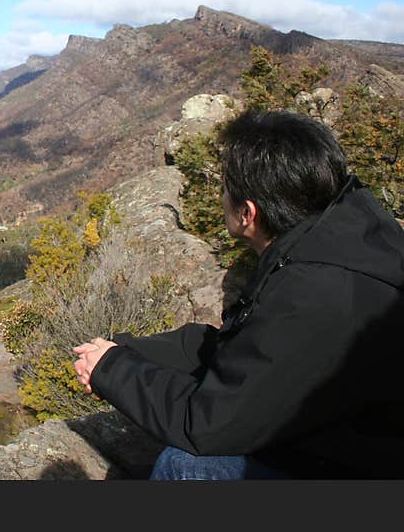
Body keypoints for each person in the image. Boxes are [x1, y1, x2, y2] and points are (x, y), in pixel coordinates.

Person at [73, 109, 404, 479]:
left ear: (247, 213)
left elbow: (208, 424)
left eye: (225, 186)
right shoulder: (339, 239)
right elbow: (244, 350)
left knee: (185, 466)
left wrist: (112, 372)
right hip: (355, 439)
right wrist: (123, 352)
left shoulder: (317, 294)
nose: (221, 195)